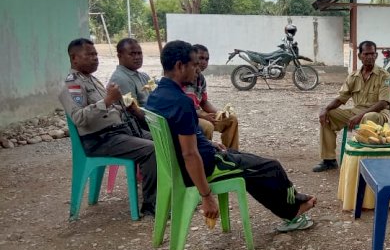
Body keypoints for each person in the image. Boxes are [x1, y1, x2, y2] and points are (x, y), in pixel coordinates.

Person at [146, 41, 316, 232]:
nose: (197, 69)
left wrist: (209, 144)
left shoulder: (156, 96)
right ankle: (293, 210)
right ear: (179, 66)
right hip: (204, 166)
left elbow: (183, 139)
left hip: (186, 163)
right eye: (194, 65)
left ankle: (292, 202)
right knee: (270, 167)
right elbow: (189, 155)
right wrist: (206, 196)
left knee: (251, 166)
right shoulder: (181, 102)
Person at [59, 38, 157, 217]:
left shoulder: (92, 80)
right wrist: (107, 100)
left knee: (164, 140)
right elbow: (79, 118)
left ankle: (168, 192)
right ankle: (152, 205)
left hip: (119, 132)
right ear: (74, 59)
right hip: (100, 139)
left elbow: (110, 109)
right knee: (150, 150)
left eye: (96, 54)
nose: (95, 58)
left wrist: (121, 106)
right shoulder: (72, 84)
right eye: (89, 55)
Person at [313, 40, 390, 172]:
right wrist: (325, 109)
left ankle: (366, 162)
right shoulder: (354, 76)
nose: (370, 57)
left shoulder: (384, 76)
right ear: (360, 56)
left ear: (376, 55)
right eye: (366, 54)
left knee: (368, 117)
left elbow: (383, 103)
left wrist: (360, 116)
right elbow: (341, 98)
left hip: (378, 114)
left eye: (372, 54)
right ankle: (329, 160)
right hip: (356, 112)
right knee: (329, 115)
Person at [182, 44, 240, 150]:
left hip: (199, 112)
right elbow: (182, 108)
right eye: (201, 58)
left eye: (206, 59)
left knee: (231, 119)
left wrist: (219, 113)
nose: (204, 62)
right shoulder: (183, 77)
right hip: (189, 115)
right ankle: (206, 156)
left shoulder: (201, 79)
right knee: (207, 126)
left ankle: (232, 154)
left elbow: (203, 102)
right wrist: (203, 116)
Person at [108, 38, 153, 107]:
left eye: (139, 53)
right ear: (119, 56)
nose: (137, 57)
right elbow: (134, 112)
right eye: (132, 54)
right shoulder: (121, 79)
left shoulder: (143, 76)